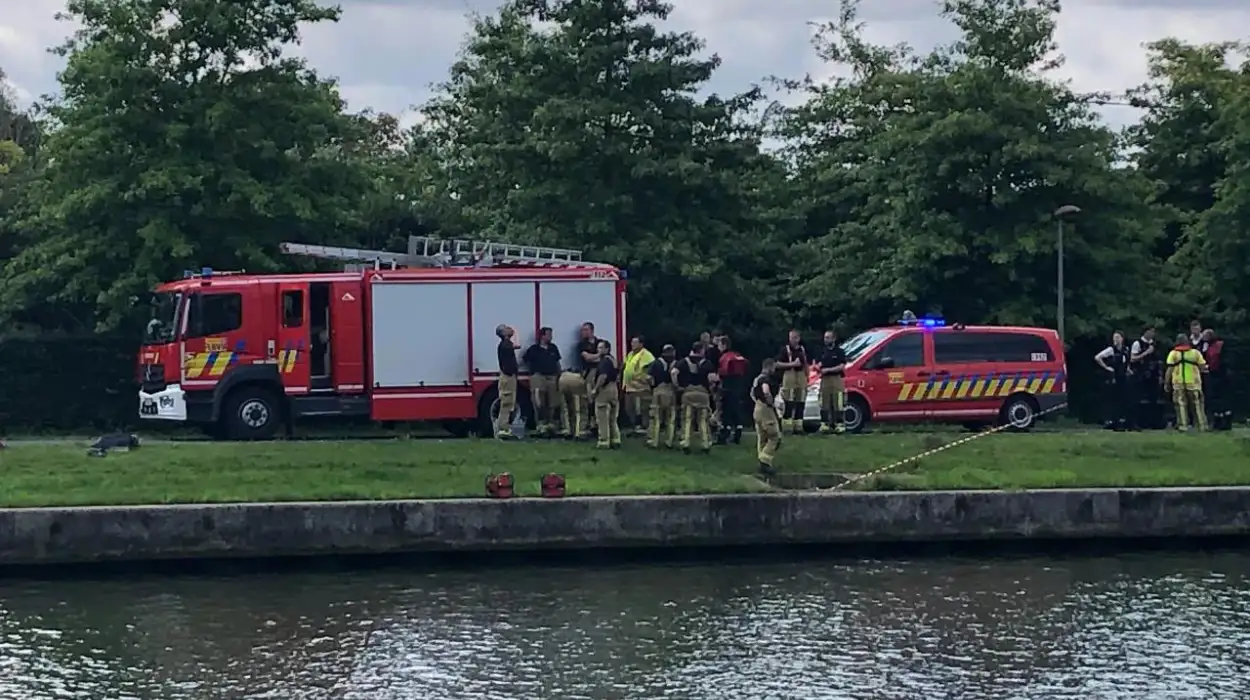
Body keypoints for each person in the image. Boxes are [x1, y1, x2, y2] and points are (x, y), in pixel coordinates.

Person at [674, 342, 716, 453]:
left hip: (688, 393)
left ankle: (686, 442)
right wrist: (711, 389)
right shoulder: (707, 363)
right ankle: (705, 444)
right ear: (701, 350)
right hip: (702, 393)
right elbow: (713, 379)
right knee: (702, 420)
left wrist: (677, 386)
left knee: (687, 419)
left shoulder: (683, 362)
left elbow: (674, 372)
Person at [523, 327, 562, 437]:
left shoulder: (553, 348)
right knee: (539, 401)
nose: (551, 337)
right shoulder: (533, 349)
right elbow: (525, 360)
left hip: (552, 377)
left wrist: (559, 375)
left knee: (553, 402)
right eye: (548, 334)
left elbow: (557, 363)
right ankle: (540, 425)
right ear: (542, 336)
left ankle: (551, 425)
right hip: (538, 376)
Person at [1165, 333, 1208, 431]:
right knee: (1197, 404)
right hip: (1194, 382)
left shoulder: (1173, 353)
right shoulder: (1195, 353)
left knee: (1180, 404)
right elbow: (1202, 366)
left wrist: (1166, 382)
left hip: (1178, 382)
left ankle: (1183, 425)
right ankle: (1201, 425)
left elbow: (1170, 369)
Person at [1094, 331, 1133, 431]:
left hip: (1124, 377)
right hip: (1115, 377)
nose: (1115, 339)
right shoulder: (1111, 350)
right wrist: (1107, 367)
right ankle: (1115, 422)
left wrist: (1128, 369)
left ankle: (1127, 422)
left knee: (1125, 399)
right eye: (1114, 337)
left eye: (1117, 337)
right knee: (1115, 400)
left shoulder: (1126, 349)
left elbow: (1127, 361)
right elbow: (1098, 357)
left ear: (1122, 339)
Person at [715, 336, 749, 444]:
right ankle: (737, 434)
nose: (718, 347)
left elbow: (722, 373)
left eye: (719, 345)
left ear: (724, 345)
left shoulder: (725, 357)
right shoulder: (738, 356)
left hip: (727, 387)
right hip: (739, 387)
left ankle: (723, 436)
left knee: (726, 413)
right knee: (736, 412)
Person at [776, 330, 809, 435]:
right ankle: (787, 428)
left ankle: (798, 427)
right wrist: (792, 364)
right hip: (789, 375)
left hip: (801, 376)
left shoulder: (802, 349)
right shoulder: (785, 350)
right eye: (790, 337)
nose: (792, 340)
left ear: (798, 338)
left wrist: (807, 375)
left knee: (800, 401)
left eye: (794, 337)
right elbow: (777, 364)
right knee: (788, 401)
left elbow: (805, 363)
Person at [752, 357, 781, 477]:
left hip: (757, 407)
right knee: (775, 436)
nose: (774, 370)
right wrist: (770, 401)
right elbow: (766, 390)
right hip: (765, 409)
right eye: (773, 368)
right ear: (769, 367)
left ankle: (763, 463)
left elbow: (752, 393)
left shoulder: (756, 378)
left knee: (762, 436)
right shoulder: (765, 379)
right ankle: (764, 459)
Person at [1130, 327, 1163, 430]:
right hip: (1140, 374)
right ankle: (1138, 422)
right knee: (1138, 399)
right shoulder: (1137, 343)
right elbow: (1132, 358)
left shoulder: (1155, 344)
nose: (1152, 334)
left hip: (1153, 375)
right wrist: (1146, 353)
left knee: (1153, 399)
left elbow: (1159, 360)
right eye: (1150, 331)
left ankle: (1153, 422)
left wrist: (1160, 374)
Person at [647, 344, 679, 449]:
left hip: (658, 390)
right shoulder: (676, 364)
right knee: (670, 418)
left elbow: (649, 377)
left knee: (655, 417)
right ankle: (669, 441)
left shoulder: (656, 363)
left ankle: (654, 440)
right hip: (671, 391)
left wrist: (652, 386)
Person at [816, 329, 848, 434]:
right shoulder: (821, 351)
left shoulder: (839, 351)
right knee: (824, 402)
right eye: (825, 337)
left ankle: (839, 425)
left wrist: (828, 370)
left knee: (838, 402)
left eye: (828, 337)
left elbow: (842, 366)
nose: (826, 340)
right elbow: (816, 363)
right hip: (824, 380)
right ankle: (825, 424)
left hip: (836, 379)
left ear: (834, 339)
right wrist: (817, 367)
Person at [622, 336, 655, 437]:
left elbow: (650, 368)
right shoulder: (630, 354)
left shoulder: (646, 355)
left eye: (635, 343)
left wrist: (642, 378)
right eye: (632, 342)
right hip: (629, 387)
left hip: (640, 388)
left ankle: (644, 428)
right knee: (629, 408)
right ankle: (634, 427)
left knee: (641, 409)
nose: (632, 344)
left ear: (641, 344)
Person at [593, 339, 622, 449]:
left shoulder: (604, 361)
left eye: (601, 348)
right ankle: (616, 439)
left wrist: (595, 389)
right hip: (614, 388)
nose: (598, 350)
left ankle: (603, 441)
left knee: (602, 415)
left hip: (605, 389)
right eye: (598, 347)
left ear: (607, 349)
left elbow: (602, 376)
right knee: (613, 417)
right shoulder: (613, 360)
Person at [1201, 329, 1231, 430]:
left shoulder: (1220, 345)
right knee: (1215, 399)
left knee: (1223, 399)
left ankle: (1226, 422)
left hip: (1222, 374)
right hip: (1213, 374)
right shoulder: (1208, 347)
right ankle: (1217, 421)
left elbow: (1223, 359)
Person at [495, 324, 520, 439]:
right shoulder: (505, 345)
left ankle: (504, 427)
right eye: (506, 328)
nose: (510, 329)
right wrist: (515, 333)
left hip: (509, 376)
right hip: (507, 377)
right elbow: (517, 345)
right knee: (506, 402)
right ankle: (503, 428)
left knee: (509, 402)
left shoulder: (505, 344)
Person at [577, 322, 601, 432]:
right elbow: (587, 358)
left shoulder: (600, 342)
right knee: (589, 398)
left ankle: (598, 422)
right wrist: (598, 355)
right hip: (589, 373)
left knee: (600, 398)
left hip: (601, 372)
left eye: (586, 330)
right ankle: (590, 422)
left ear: (592, 330)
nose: (583, 332)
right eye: (582, 330)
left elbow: (604, 357)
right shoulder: (582, 345)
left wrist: (595, 357)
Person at [557, 369, 589, 439]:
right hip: (577, 376)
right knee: (581, 408)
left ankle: (567, 430)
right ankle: (579, 431)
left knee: (566, 407)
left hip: (563, 375)